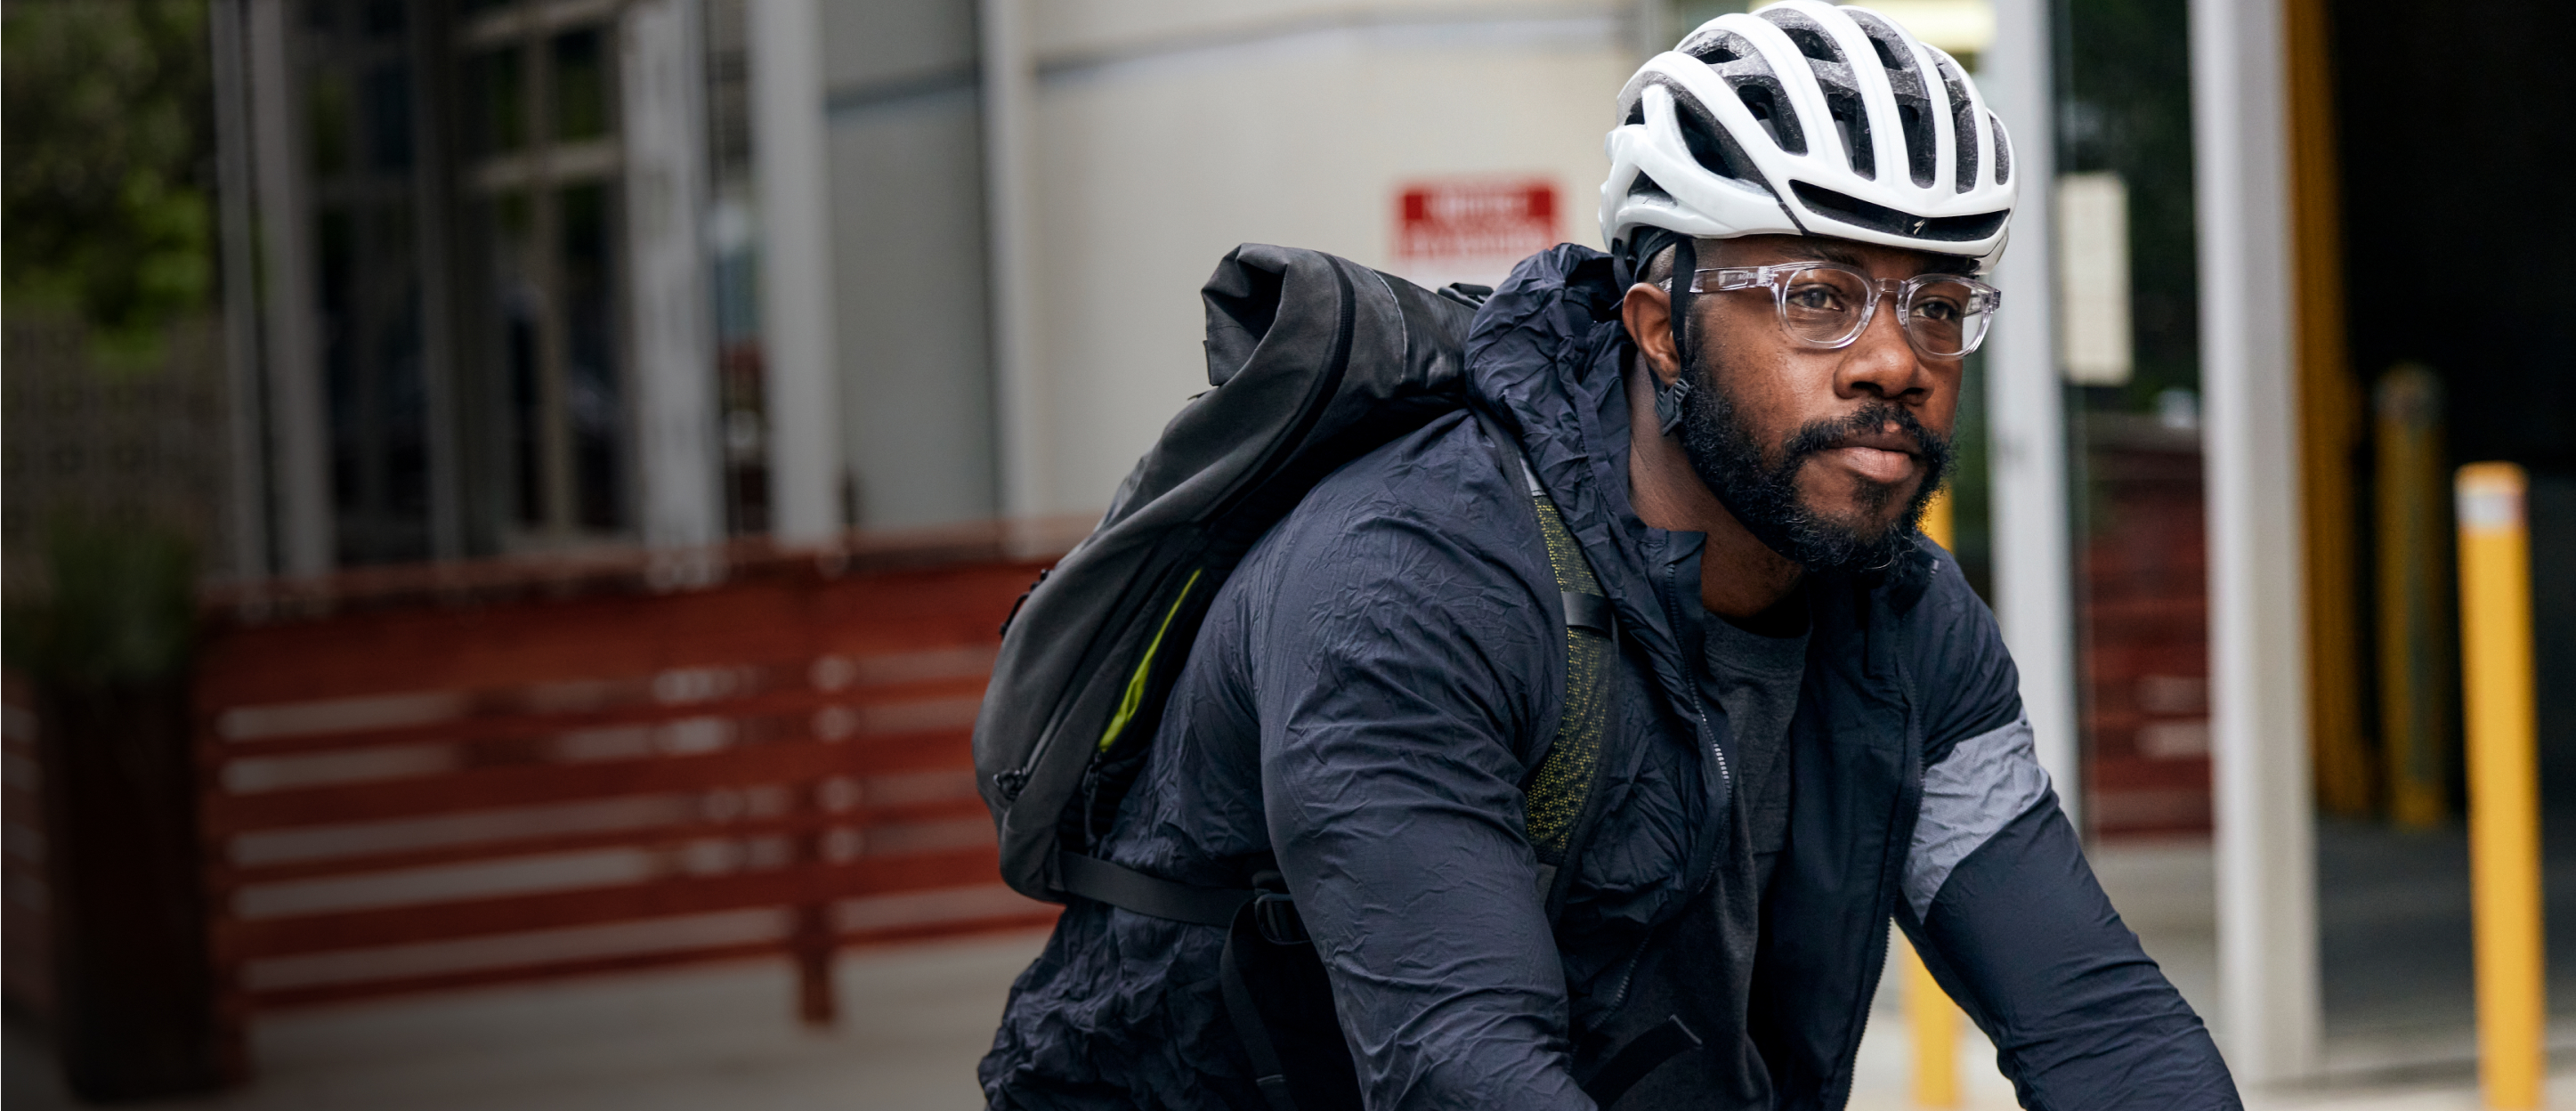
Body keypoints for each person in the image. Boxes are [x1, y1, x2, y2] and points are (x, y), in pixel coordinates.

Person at [981, 3, 2238, 1107]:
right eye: (1815, 293)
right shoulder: (1410, 580)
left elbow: (2091, 1020)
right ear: (1662, 329)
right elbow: (1457, 1063)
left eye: (1938, 303)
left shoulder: (1900, 622)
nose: (1893, 360)